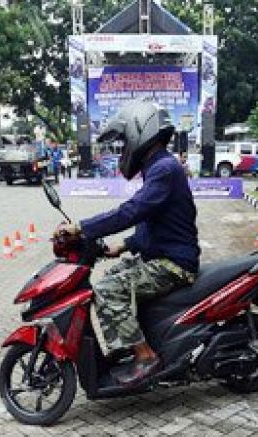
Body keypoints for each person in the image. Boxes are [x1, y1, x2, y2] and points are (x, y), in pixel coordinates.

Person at [58, 100, 200, 386]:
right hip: (161, 255)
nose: (123, 149)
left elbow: (132, 211)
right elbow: (154, 222)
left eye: (124, 141)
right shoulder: (159, 167)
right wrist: (123, 246)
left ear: (140, 131)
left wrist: (82, 228)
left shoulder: (164, 169)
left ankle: (145, 356)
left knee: (109, 289)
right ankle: (128, 345)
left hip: (173, 264)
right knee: (110, 277)